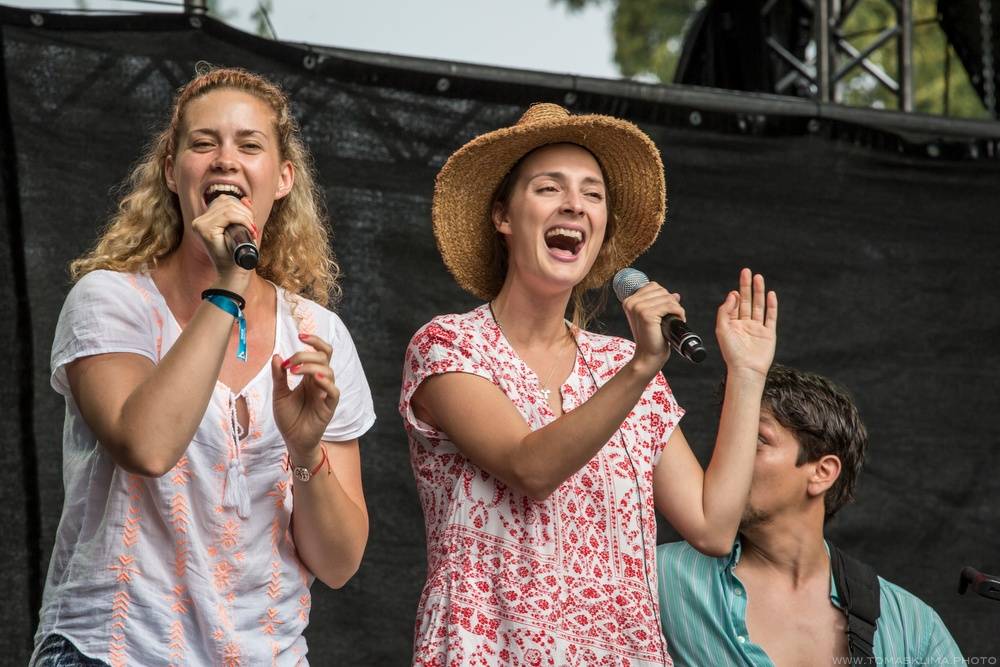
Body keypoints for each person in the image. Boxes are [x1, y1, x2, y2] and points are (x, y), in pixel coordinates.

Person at [399, 102, 778, 665]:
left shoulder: (619, 363)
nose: (574, 204)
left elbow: (713, 527)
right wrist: (641, 368)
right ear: (503, 216)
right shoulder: (449, 345)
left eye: (593, 194)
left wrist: (746, 374)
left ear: (600, 233)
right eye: (549, 188)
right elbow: (532, 468)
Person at [31, 66, 374, 666]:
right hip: (112, 650)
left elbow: (339, 563)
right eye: (202, 143)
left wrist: (304, 451)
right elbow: (148, 446)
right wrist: (229, 284)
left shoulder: (319, 334)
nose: (224, 160)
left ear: (284, 178)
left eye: (249, 145)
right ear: (171, 170)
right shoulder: (110, 300)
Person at [657, 365, 964, 665]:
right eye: (730, 441)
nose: (730, 458)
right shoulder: (655, 579)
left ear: (822, 472)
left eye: (756, 440)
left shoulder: (914, 628)